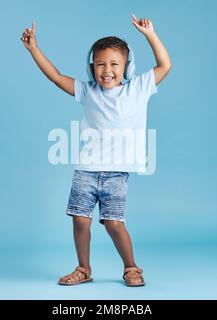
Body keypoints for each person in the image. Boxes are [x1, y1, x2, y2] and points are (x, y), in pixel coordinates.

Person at [21, 14, 172, 287]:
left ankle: (131, 267)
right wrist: (34, 49)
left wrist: (150, 34)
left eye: (115, 64)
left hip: (116, 173)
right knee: (80, 221)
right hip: (86, 170)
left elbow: (165, 64)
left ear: (127, 67)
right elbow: (55, 77)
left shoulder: (138, 89)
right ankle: (84, 269)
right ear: (92, 67)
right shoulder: (88, 91)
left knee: (114, 224)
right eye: (100, 64)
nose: (107, 70)